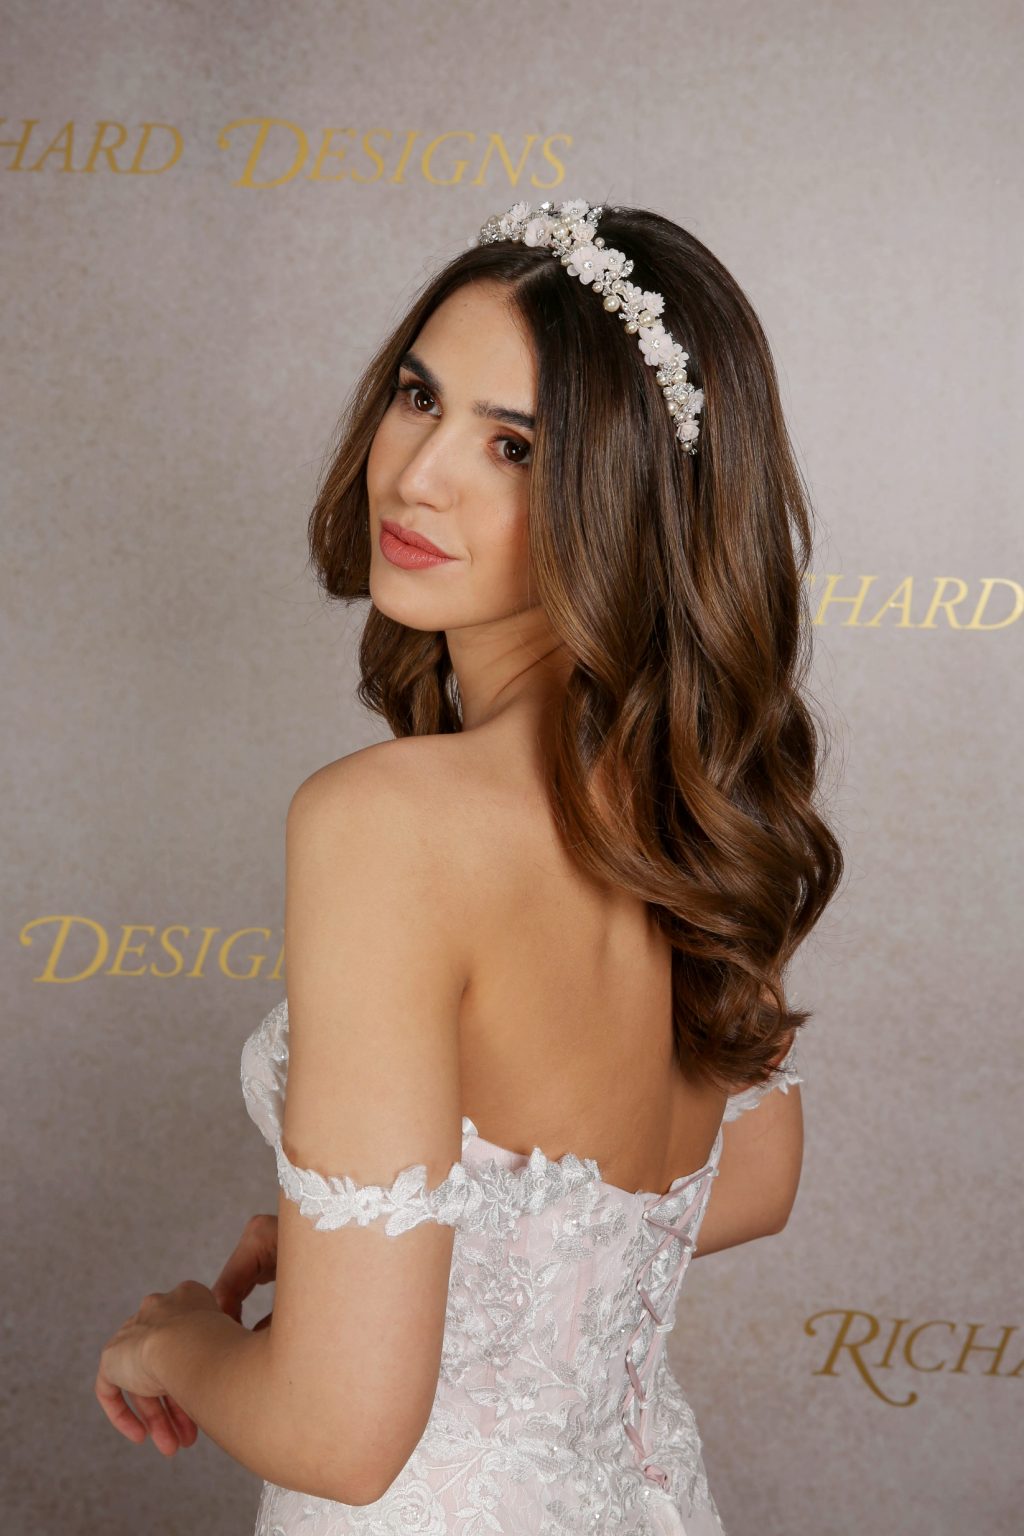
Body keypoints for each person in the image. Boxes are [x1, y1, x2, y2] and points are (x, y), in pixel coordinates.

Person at [96, 197, 844, 1534]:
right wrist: (383, 1254)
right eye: (417, 396)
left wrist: (171, 1341)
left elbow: (339, 1438)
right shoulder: (700, 802)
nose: (418, 475)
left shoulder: (387, 823)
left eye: (513, 446)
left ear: (625, 500)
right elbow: (753, 1177)